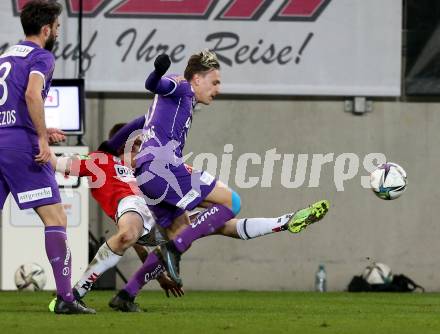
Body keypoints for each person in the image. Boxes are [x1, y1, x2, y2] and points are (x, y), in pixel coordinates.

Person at [130, 50, 330, 289]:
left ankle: (127, 293)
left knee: (193, 229)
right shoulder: (181, 85)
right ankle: (175, 249)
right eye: (215, 82)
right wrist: (158, 71)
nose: (218, 89)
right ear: (197, 79)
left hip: (146, 174)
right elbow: (153, 84)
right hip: (162, 167)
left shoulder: (183, 99)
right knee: (230, 203)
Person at [0, 0, 94, 314]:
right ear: (45, 29)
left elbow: (12, 102)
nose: (57, 33)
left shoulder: (7, 55)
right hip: (20, 147)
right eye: (57, 28)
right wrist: (40, 137)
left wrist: (40, 125)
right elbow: (30, 93)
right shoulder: (42, 56)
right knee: (56, 219)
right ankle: (66, 300)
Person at [51, 120, 184, 313]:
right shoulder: (99, 160)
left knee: (195, 226)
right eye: (137, 145)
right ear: (123, 144)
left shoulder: (143, 172)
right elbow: (60, 164)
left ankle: (241, 226)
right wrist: (40, 144)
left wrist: (160, 276)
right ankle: (75, 294)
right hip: (132, 213)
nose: (141, 150)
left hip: (155, 214)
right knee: (128, 235)